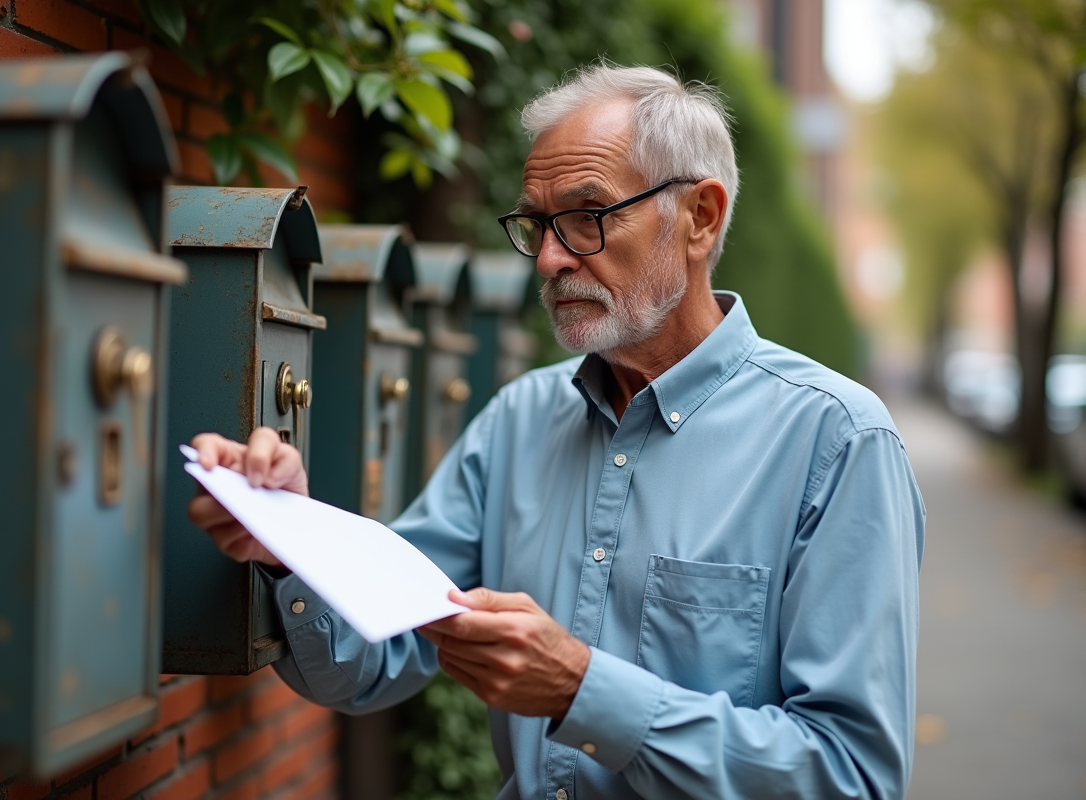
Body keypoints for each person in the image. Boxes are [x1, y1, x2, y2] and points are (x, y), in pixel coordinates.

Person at [188, 64, 925, 800]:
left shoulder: (838, 442)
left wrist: (584, 691)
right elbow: (370, 654)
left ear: (700, 217)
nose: (549, 257)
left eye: (587, 215)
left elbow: (849, 776)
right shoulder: (517, 420)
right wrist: (284, 539)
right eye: (537, 224)